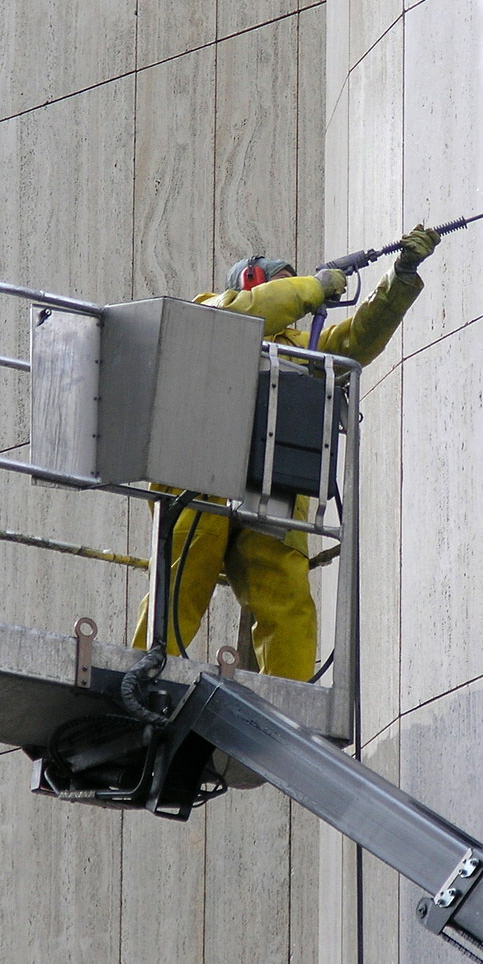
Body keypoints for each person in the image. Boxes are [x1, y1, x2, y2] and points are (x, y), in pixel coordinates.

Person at [129, 225, 441, 680]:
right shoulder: (210, 311)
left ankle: (289, 698)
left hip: (272, 488)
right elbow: (244, 314)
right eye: (287, 287)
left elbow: (359, 339)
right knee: (179, 586)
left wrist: (401, 274)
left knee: (288, 601)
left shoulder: (302, 350)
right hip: (198, 479)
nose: (300, 303)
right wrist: (313, 286)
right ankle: (141, 671)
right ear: (252, 281)